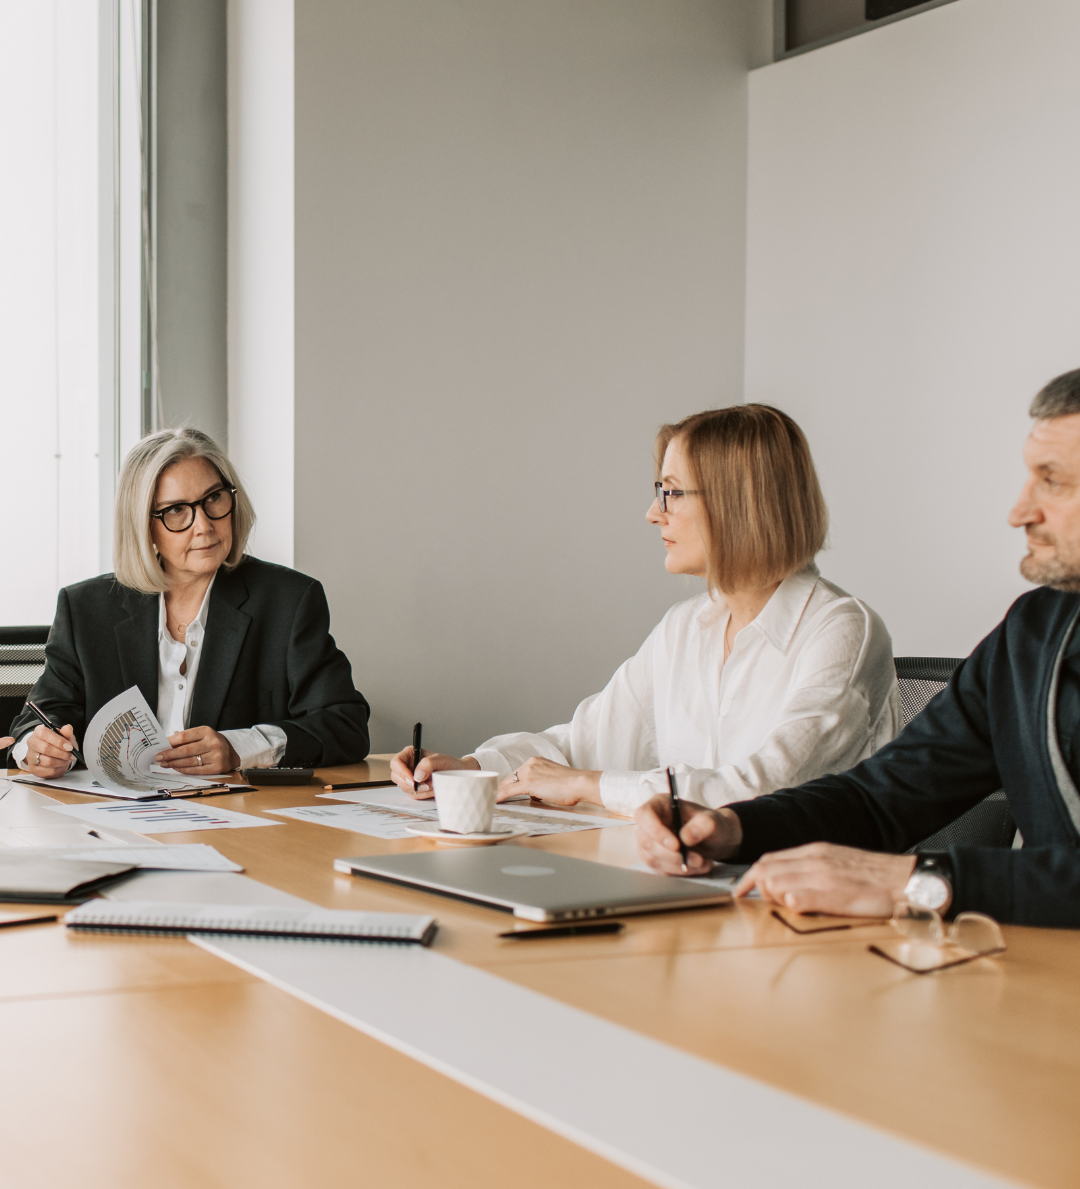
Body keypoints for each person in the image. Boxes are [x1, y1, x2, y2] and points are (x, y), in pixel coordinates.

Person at [636, 369, 1080, 929]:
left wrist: (916, 881)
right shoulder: (1034, 634)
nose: (1020, 511)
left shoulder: (840, 624)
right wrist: (733, 827)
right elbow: (881, 797)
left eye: (1055, 481)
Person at [389, 404, 899, 813]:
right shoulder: (686, 628)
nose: (653, 513)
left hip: (800, 909)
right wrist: (474, 769)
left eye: (672, 493)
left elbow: (760, 790)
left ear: (739, 503)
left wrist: (589, 786)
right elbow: (583, 745)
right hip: (688, 882)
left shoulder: (842, 631)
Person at [9, 428, 369, 778]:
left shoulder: (288, 600)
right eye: (177, 510)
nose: (204, 525)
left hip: (239, 823)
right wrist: (37, 748)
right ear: (144, 527)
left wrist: (239, 747)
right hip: (114, 820)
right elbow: (39, 718)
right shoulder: (85, 608)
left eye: (214, 498)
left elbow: (345, 725)